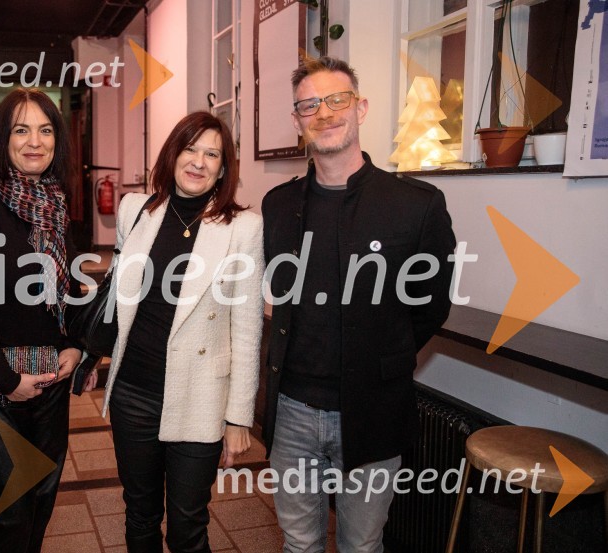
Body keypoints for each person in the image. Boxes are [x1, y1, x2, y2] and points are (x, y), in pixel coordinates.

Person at [261, 57, 456, 553]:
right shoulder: (277, 205)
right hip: (292, 411)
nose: (323, 113)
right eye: (309, 105)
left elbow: (431, 306)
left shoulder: (417, 204)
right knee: (299, 543)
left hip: (373, 409)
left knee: (362, 545)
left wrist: (383, 353)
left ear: (361, 108)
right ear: (297, 120)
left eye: (336, 100)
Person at [102, 111, 264, 553]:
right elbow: (119, 291)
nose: (199, 161)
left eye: (212, 153)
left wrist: (237, 418)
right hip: (133, 391)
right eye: (190, 148)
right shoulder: (136, 209)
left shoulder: (243, 228)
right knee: (139, 514)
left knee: (188, 525)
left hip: (200, 396)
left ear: (225, 167)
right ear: (172, 154)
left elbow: (247, 329)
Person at [0, 88, 95, 553]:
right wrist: (6, 378)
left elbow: (62, 287)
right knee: (7, 513)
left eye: (46, 130)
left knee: (41, 501)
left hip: (48, 374)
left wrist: (75, 344)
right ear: (1, 139)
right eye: (21, 129)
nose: (35, 141)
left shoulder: (55, 204)